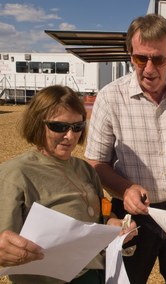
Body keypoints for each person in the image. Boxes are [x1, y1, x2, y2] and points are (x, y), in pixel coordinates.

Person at [85, 13, 166, 284]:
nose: (148, 68)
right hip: (132, 214)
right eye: (139, 58)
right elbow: (94, 163)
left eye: (158, 59)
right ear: (130, 55)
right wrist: (125, 189)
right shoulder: (110, 97)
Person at [0, 85, 137, 284]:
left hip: (94, 275)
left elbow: (101, 215)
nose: (70, 136)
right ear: (37, 124)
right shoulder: (14, 175)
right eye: (59, 127)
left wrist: (113, 225)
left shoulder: (85, 169)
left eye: (77, 127)